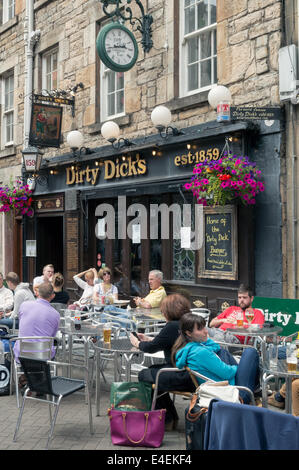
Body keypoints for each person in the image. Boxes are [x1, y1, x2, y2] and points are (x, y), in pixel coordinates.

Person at [129, 294, 194, 431]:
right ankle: (169, 417)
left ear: (169, 311)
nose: (162, 313)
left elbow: (151, 348)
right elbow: (164, 341)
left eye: (163, 310)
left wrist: (137, 343)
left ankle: (167, 419)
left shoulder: (172, 326)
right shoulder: (188, 323)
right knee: (151, 371)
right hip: (192, 373)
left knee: (144, 375)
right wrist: (147, 338)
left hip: (181, 374)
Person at [173, 313, 260, 404]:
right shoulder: (200, 352)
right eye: (200, 329)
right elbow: (227, 373)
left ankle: (256, 389)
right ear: (188, 333)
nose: (206, 331)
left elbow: (216, 347)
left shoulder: (189, 348)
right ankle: (256, 390)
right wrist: (241, 367)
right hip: (234, 393)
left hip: (223, 389)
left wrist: (205, 339)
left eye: (204, 327)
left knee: (223, 352)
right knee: (250, 351)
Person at [13, 282, 60, 363]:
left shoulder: (24, 305)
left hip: (22, 354)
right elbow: (52, 336)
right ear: (53, 296)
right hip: (43, 355)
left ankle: (23, 374)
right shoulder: (56, 314)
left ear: (37, 293)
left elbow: (22, 324)